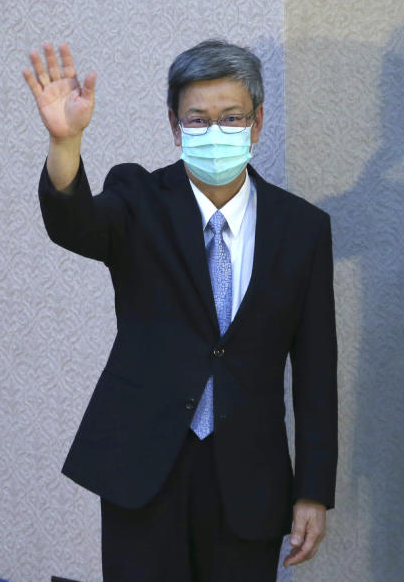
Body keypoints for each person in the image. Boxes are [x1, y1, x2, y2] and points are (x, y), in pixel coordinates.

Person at [25, 40, 338, 581]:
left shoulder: (303, 229)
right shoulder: (138, 197)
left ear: (257, 123)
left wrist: (313, 490)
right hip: (144, 465)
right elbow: (74, 225)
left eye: (230, 117)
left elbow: (316, 371)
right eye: (197, 119)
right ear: (175, 126)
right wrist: (66, 143)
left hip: (248, 474)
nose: (214, 132)